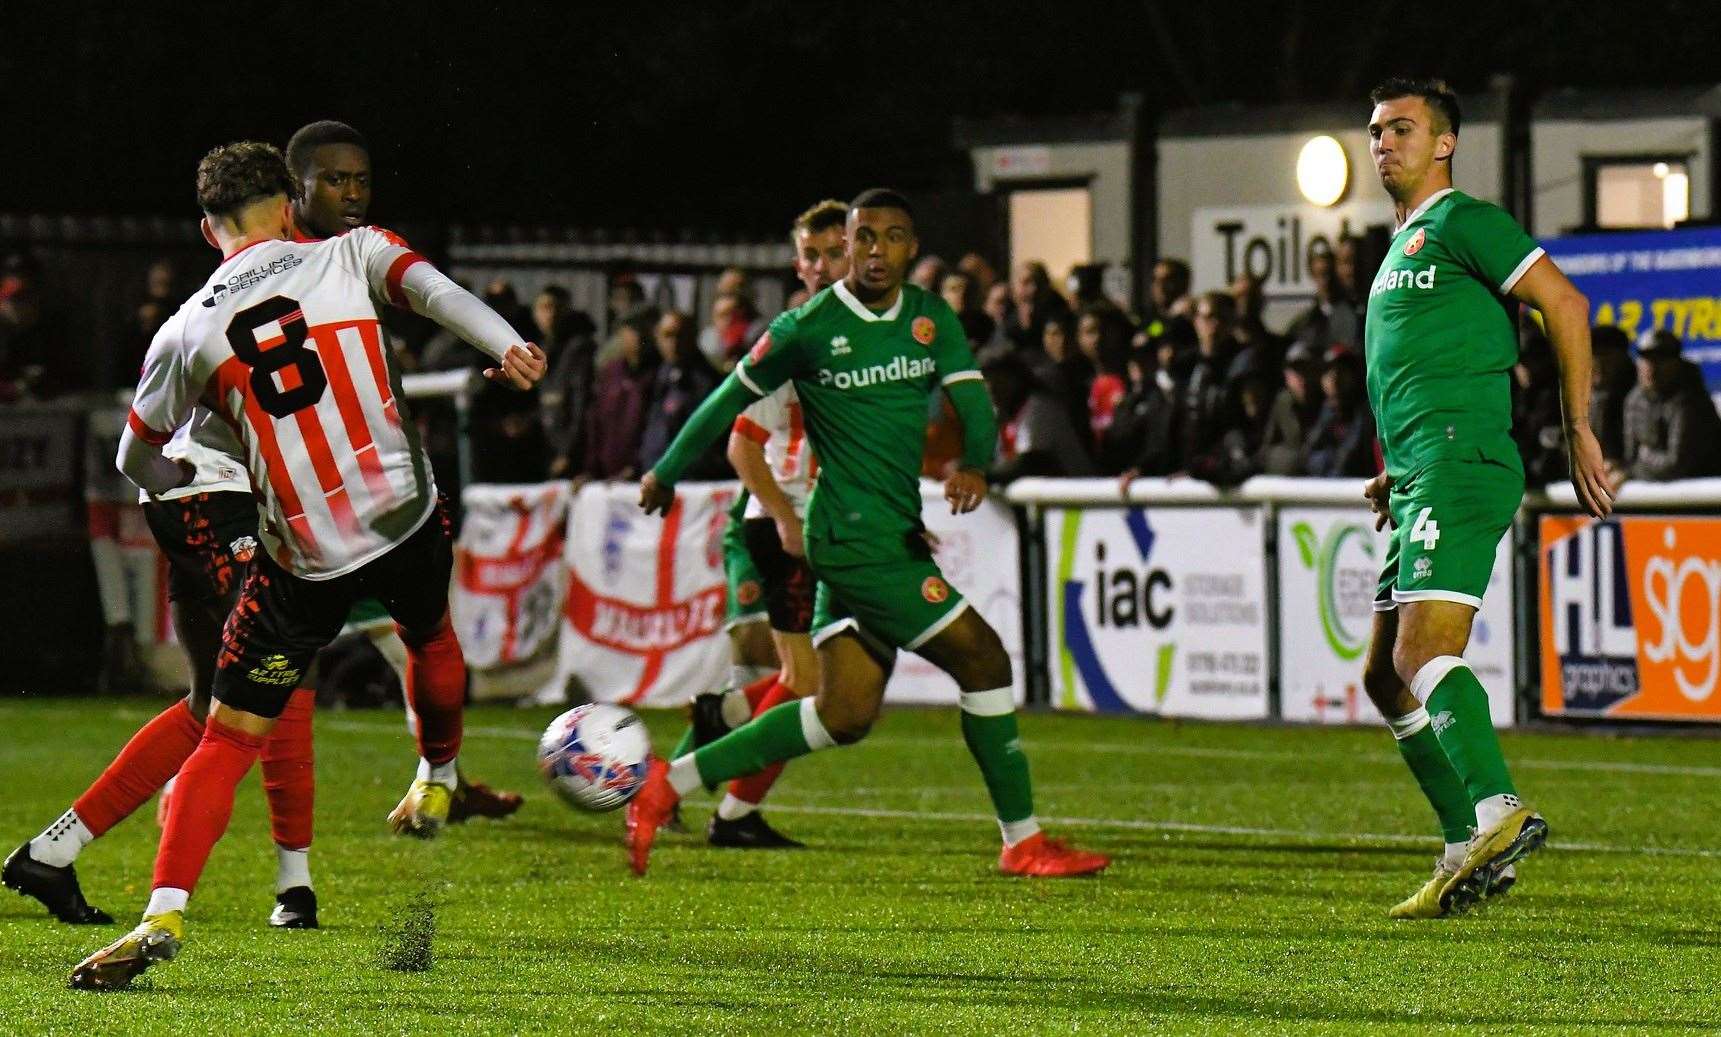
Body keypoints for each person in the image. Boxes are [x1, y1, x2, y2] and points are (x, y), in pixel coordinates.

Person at [67, 141, 545, 991]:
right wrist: (509, 345)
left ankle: (163, 912)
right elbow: (437, 293)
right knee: (428, 632)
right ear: (289, 203)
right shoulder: (350, 253)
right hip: (402, 515)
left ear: (208, 227)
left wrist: (174, 474)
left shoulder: (185, 329)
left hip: (304, 554)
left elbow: (132, 461)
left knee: (227, 734)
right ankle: (437, 773)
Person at [630, 189, 1108, 879]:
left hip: (892, 532)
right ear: (847, 246)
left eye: (891, 237)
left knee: (841, 712)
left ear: (912, 248)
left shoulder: (928, 318)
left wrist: (975, 461)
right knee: (984, 660)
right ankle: (1022, 839)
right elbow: (724, 403)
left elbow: (974, 400)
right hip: (852, 542)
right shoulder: (807, 327)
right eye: (863, 238)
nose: (875, 251)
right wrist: (666, 470)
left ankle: (665, 784)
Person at [1358, 78, 1611, 920]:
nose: (1381, 143)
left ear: (1443, 143)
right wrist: (1394, 467)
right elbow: (1422, 368)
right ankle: (1464, 840)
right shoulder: (1401, 244)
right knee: (1384, 677)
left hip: (1460, 463)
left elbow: (1565, 303)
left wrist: (1578, 426)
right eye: (1374, 130)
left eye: (1401, 128)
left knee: (1419, 650)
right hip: (1420, 468)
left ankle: (1495, 808)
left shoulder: (1463, 220)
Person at [663, 198, 851, 849]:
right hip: (776, 526)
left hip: (825, 527)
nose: (824, 266)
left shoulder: (864, 336)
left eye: (837, 251)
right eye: (813, 255)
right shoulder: (792, 339)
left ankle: (715, 747)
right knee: (789, 673)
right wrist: (783, 515)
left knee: (816, 681)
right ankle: (706, 790)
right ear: (798, 264)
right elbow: (741, 439)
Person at [1617, 328, 1721, 483]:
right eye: (1646, 357)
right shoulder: (1634, 399)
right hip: (1658, 493)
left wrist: (1639, 462)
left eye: (1662, 358)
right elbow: (1629, 458)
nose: (1652, 365)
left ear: (1677, 362)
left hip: (1701, 496)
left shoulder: (1689, 401)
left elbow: (1675, 465)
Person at [637, 310, 726, 477]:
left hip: (691, 482)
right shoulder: (657, 379)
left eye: (679, 336)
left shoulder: (708, 381)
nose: (674, 343)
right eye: (667, 336)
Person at [1303, 346, 1377, 478]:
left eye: (1341, 372)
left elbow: (1348, 463)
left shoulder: (1369, 414)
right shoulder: (1325, 411)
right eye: (1328, 374)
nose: (1334, 380)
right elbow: (1308, 455)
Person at [1259, 341, 1323, 474]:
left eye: (1306, 369)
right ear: (1286, 375)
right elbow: (1267, 448)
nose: (1301, 377)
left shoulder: (1326, 403)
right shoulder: (1282, 403)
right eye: (1296, 371)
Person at [1587, 324, 1634, 465]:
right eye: (1592, 356)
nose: (1599, 364)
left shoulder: (1641, 396)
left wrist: (1625, 468)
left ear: (1623, 357)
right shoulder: (1576, 396)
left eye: (1606, 356)